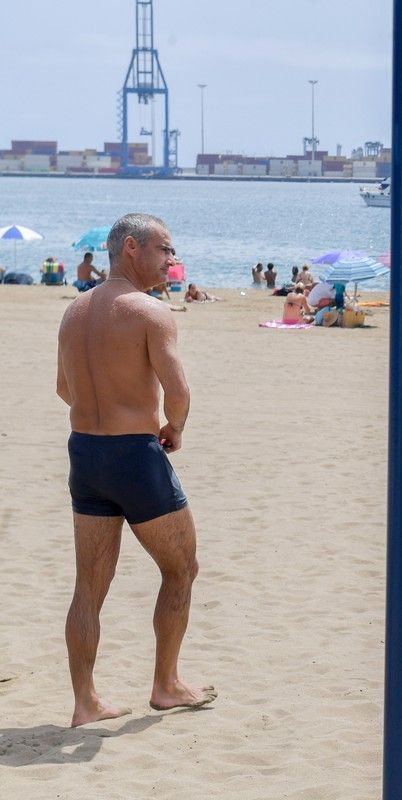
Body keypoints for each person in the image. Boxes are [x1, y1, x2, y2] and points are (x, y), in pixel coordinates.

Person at [56, 212, 216, 727]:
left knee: (89, 587)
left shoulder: (74, 311)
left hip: (85, 454)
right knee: (182, 568)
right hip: (134, 457)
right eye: (164, 250)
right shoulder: (150, 312)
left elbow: (64, 390)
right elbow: (181, 392)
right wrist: (175, 427)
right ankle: (166, 685)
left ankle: (85, 703)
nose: (171, 259)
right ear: (132, 248)